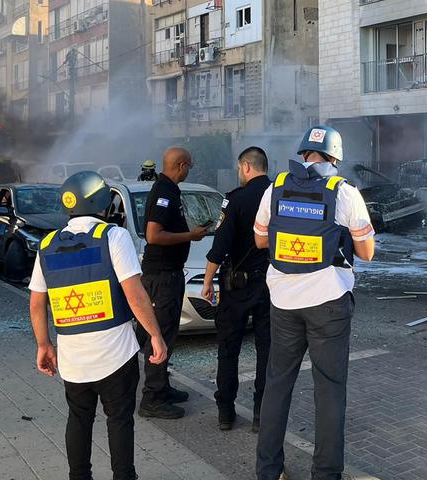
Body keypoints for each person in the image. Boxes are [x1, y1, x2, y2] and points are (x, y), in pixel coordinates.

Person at [254, 125, 376, 480]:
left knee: (277, 384)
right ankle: (326, 474)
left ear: (303, 153)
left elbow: (261, 241)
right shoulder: (344, 192)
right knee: (330, 390)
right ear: (334, 158)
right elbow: (367, 252)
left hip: (283, 301)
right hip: (329, 303)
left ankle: (268, 470)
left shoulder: (275, 187)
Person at [28, 171, 168, 480]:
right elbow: (134, 293)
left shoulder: (47, 244)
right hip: (115, 355)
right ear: (102, 202)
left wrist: (43, 344)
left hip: (73, 359)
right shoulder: (113, 236)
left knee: (78, 419)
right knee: (119, 421)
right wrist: (155, 335)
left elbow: (38, 303)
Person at [137, 147, 213, 419]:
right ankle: (152, 399)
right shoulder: (164, 192)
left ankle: (162, 386)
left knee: (167, 333)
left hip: (169, 274)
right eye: (189, 166)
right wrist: (189, 236)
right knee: (159, 334)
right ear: (180, 166)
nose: (189, 170)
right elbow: (153, 235)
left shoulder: (169, 190)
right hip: (161, 276)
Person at [201, 146, 272, 432]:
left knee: (228, 349)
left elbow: (220, 246)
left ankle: (225, 413)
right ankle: (261, 415)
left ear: (245, 167)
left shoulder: (235, 199)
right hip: (271, 285)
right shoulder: (279, 196)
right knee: (267, 351)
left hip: (237, 286)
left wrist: (207, 281)